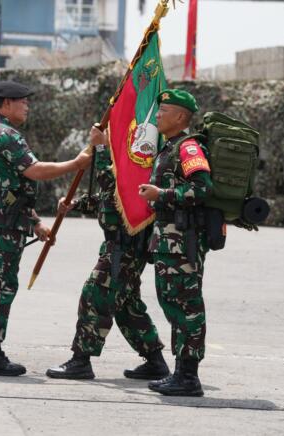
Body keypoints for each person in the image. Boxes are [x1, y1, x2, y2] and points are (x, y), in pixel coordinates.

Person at [0, 80, 92, 377]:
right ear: (6, 103)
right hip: (2, 220)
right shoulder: (6, 135)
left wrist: (34, 222)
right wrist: (75, 164)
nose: (27, 106)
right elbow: (35, 171)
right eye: (22, 101)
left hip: (5, 216)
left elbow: (12, 188)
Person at [45, 126, 169, 380]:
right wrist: (76, 204)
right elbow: (109, 198)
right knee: (126, 306)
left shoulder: (139, 163)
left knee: (95, 296)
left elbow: (118, 191)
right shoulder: (124, 163)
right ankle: (155, 360)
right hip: (121, 247)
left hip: (125, 247)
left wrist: (101, 149)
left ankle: (81, 360)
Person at [138, 89, 212, 397]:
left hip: (184, 242)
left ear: (180, 117)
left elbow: (203, 189)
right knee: (174, 305)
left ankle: (189, 376)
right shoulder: (168, 148)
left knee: (187, 307)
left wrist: (162, 195)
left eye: (163, 110)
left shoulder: (189, 147)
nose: (157, 115)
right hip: (169, 243)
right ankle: (181, 372)